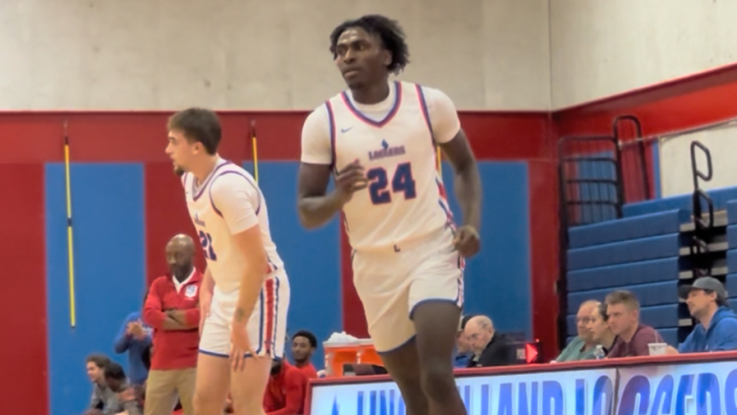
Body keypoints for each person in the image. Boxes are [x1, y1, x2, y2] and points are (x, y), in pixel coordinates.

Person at [297, 15, 481, 415]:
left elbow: (464, 166)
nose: (347, 56)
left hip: (431, 247)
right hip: (374, 265)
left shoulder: (428, 103)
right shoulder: (323, 122)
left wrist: (471, 223)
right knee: (414, 394)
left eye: (358, 46)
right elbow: (307, 210)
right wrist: (338, 196)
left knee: (436, 374)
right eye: (341, 51)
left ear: (386, 54)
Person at [165, 107, 291, 415]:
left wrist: (238, 322)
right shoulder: (189, 181)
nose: (167, 149)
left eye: (173, 141)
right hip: (226, 292)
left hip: (259, 291)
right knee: (205, 401)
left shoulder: (228, 187)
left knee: (246, 404)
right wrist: (208, 287)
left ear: (196, 147)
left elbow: (257, 261)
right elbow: (219, 246)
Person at [142, 234, 203, 415]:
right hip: (161, 365)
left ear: (192, 254)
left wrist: (169, 314)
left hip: (193, 365)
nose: (173, 261)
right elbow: (149, 315)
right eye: (169, 256)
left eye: (178, 255)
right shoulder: (159, 284)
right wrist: (186, 320)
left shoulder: (205, 283)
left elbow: (202, 316)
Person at [671, 277, 737, 353]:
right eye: (687, 297)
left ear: (712, 296)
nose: (688, 301)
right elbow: (681, 356)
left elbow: (725, 363)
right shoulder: (699, 331)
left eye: (694, 295)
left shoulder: (729, 325)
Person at [604, 290, 664, 358]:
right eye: (609, 316)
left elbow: (648, 368)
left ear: (634, 315)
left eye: (617, 315)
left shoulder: (645, 336)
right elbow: (606, 364)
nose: (611, 321)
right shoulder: (622, 340)